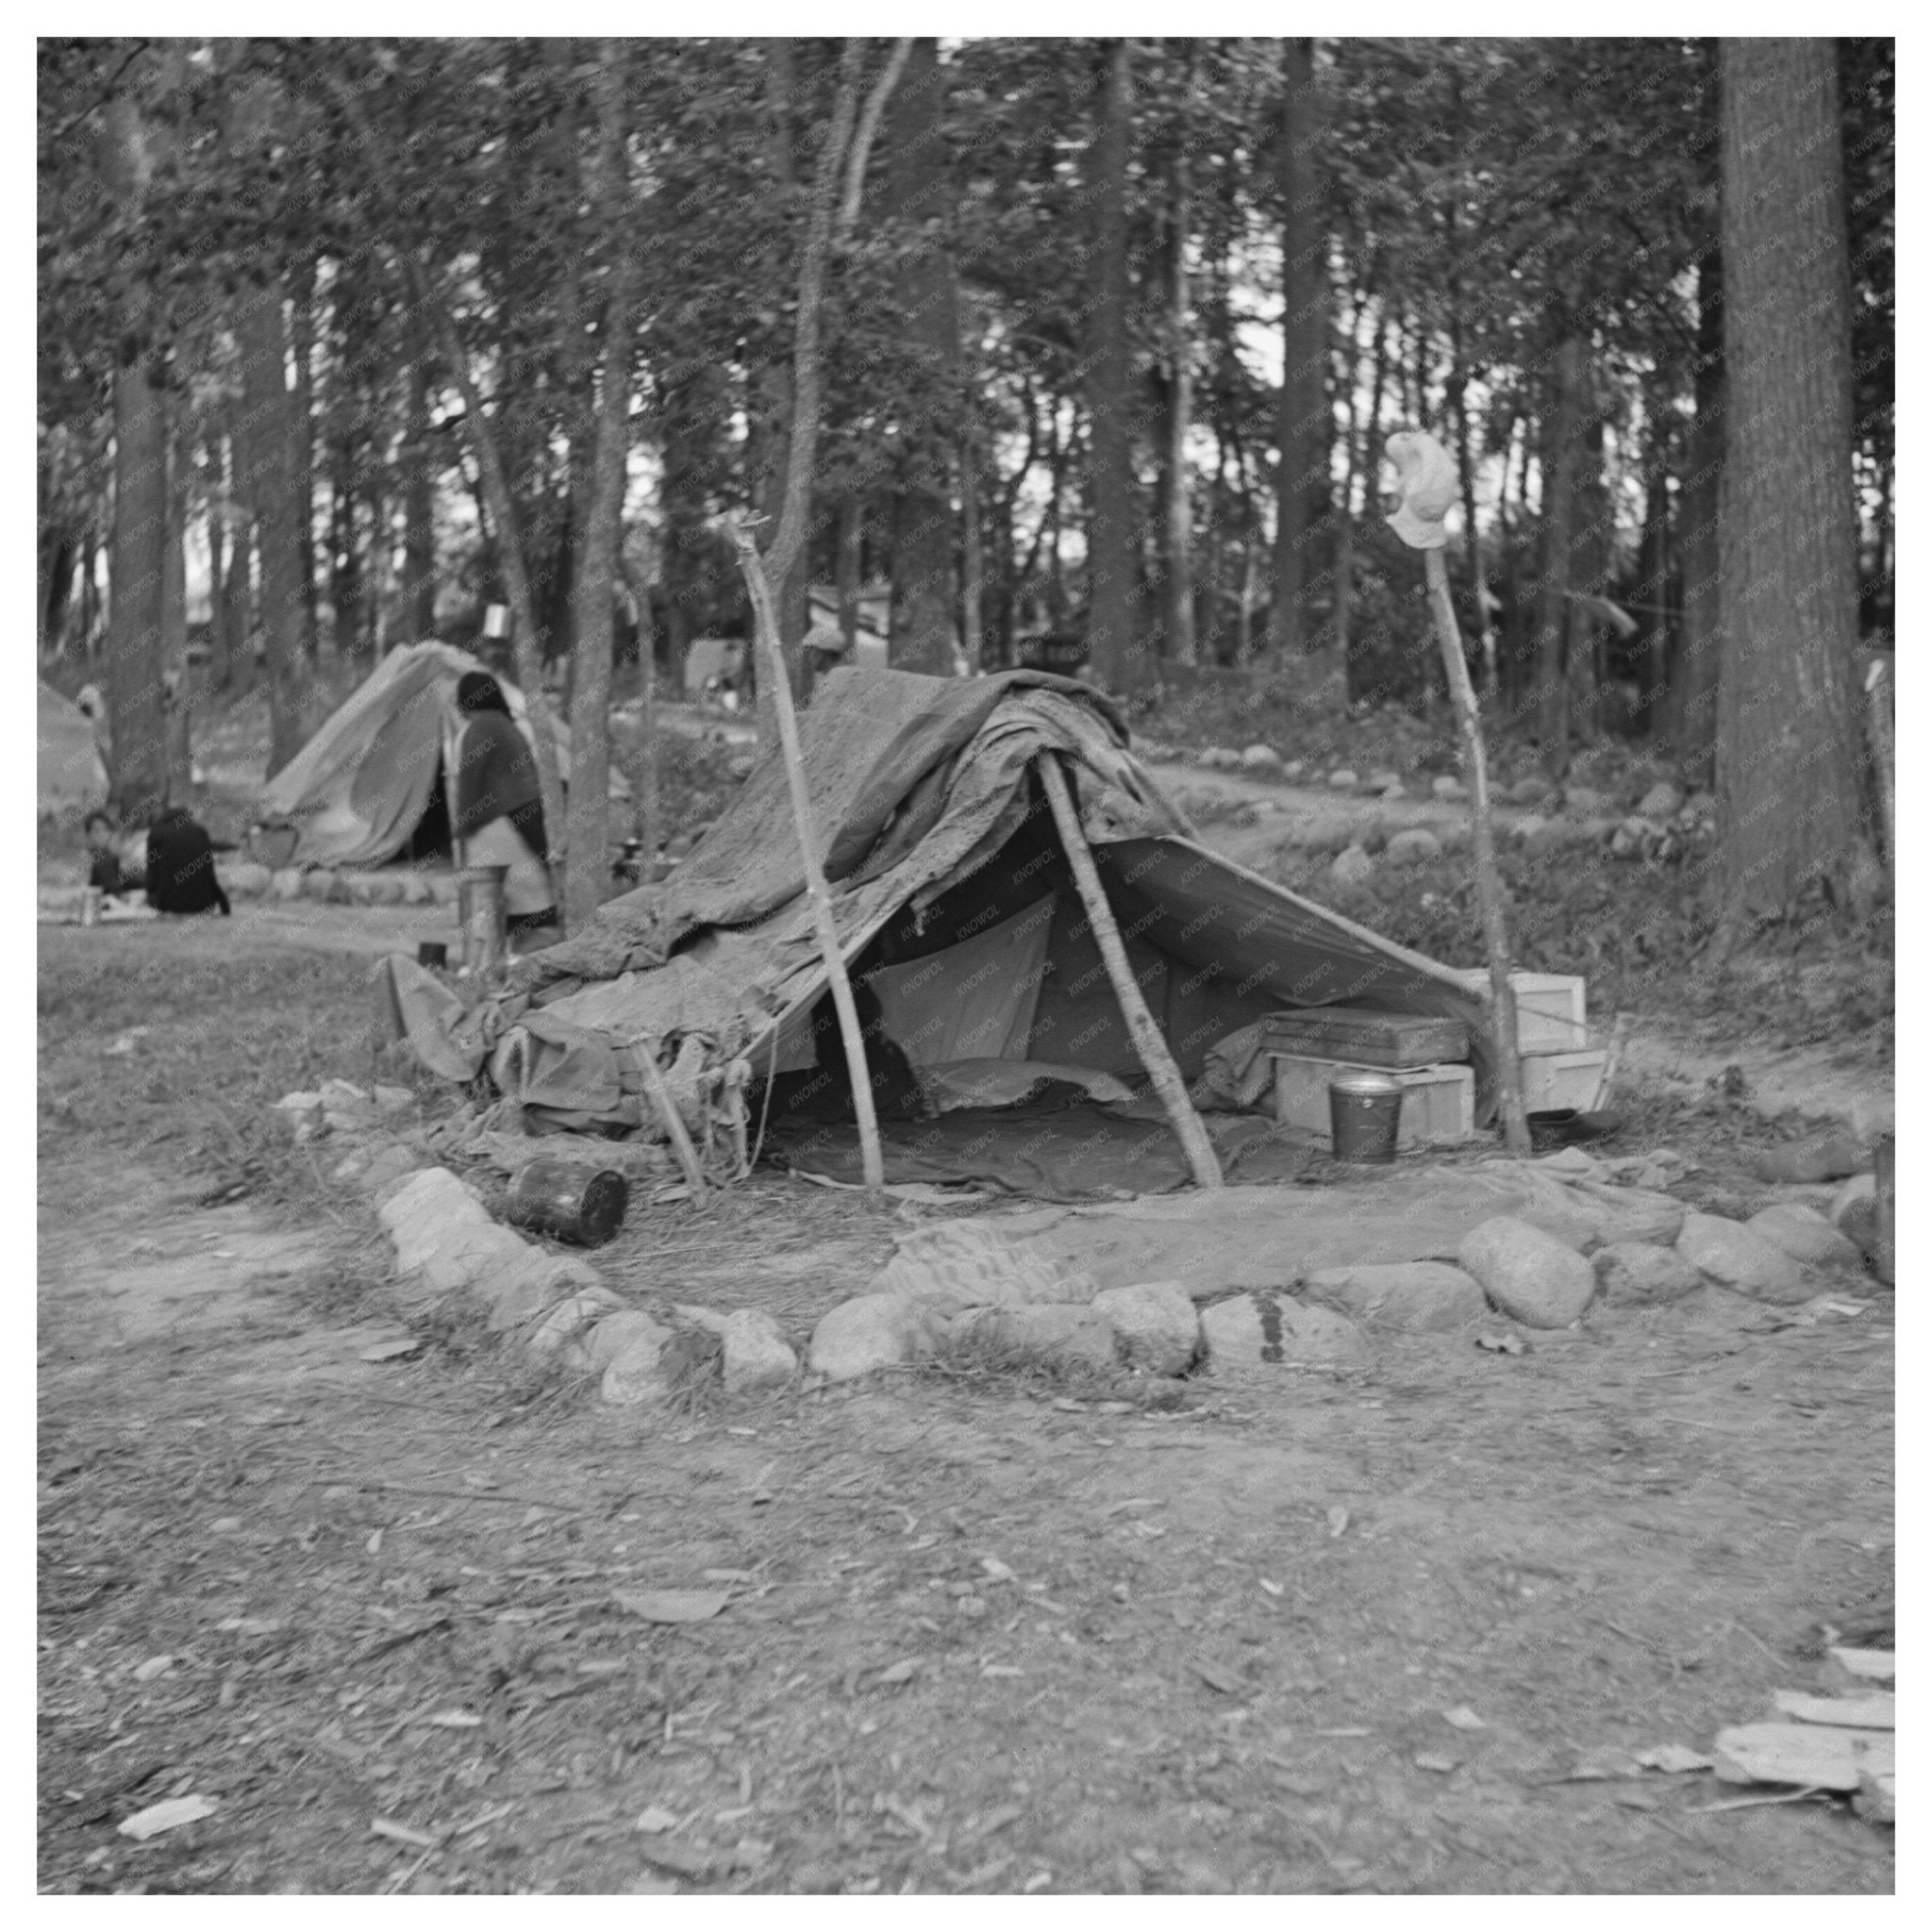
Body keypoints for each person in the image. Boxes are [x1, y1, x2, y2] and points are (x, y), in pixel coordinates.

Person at [450, 670, 558, 948]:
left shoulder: (479, 729)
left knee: (507, 911)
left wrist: (462, 825)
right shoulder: (508, 726)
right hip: (528, 818)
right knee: (535, 909)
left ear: (464, 702)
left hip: (503, 825)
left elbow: (470, 783)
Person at [144, 804, 230, 915]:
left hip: (168, 904)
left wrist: (151, 896)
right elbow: (209, 875)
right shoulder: (200, 832)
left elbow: (152, 874)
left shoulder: (156, 834)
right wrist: (224, 903)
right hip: (203, 903)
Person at [83, 810, 129, 894]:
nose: (102, 835)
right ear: (88, 834)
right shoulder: (84, 859)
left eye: (106, 830)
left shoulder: (113, 859)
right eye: (97, 831)